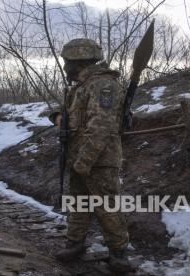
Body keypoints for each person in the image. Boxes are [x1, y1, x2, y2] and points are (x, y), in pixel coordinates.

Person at [49, 38, 132, 272]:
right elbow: (79, 119)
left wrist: (84, 161)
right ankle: (75, 244)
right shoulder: (82, 86)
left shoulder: (104, 85)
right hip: (80, 158)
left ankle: (119, 253)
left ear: (79, 61)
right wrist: (58, 116)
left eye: (67, 62)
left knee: (106, 207)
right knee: (78, 203)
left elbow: (101, 126)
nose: (65, 67)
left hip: (99, 161)